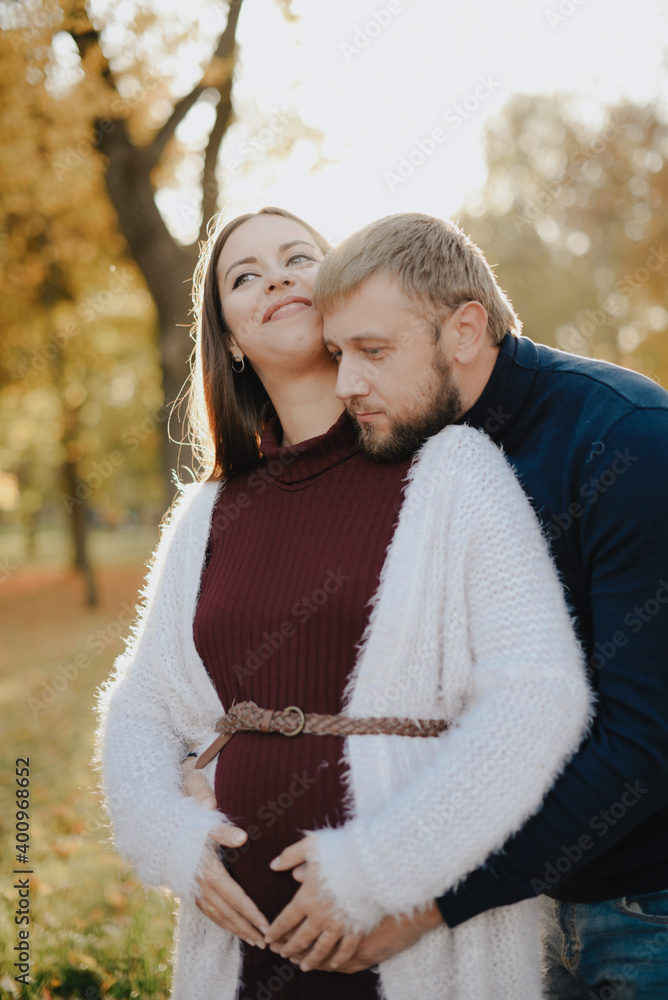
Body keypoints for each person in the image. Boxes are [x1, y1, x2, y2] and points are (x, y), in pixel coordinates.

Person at [96, 207, 591, 1000]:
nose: (278, 278)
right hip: (242, 954)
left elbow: (538, 695)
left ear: (338, 294)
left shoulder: (453, 472)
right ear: (227, 337)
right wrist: (171, 840)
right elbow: (143, 707)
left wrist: (377, 871)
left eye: (299, 258)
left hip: (409, 946)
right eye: (245, 275)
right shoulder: (208, 514)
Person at [256, 213, 668, 1000]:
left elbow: (641, 742)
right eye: (338, 354)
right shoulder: (409, 447)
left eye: (374, 352)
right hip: (517, 913)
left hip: (647, 906)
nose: (347, 384)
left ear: (466, 330)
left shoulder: (627, 441)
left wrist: (430, 902)